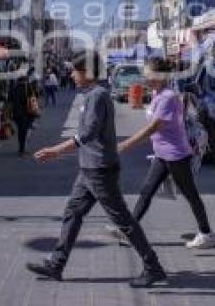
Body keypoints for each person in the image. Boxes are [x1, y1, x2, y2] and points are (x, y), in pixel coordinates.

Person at [26, 50, 166, 288]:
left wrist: (56, 151)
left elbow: (88, 133)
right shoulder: (92, 94)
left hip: (100, 170)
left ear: (87, 72)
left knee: (123, 220)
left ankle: (153, 267)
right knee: (73, 212)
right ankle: (56, 264)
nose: (71, 75)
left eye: (75, 71)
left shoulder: (98, 95)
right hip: (88, 169)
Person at [114, 58, 215, 249]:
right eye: (145, 75)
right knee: (147, 191)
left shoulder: (168, 97)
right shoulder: (157, 93)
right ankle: (128, 232)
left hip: (176, 155)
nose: (146, 79)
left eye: (149, 75)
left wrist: (126, 144)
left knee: (190, 194)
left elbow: (153, 127)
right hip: (162, 154)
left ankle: (206, 233)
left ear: (161, 77)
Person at [9, 73, 38, 156]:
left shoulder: (14, 88)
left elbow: (10, 100)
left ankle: (21, 148)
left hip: (16, 113)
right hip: (26, 112)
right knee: (24, 131)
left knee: (21, 131)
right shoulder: (28, 87)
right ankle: (22, 149)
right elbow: (33, 98)